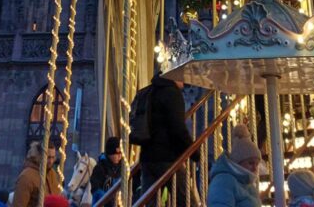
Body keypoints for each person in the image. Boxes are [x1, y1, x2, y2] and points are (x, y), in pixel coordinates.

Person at [135, 75, 199, 207]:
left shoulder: (152, 90)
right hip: (167, 156)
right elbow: (178, 128)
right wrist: (193, 152)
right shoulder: (172, 93)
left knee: (149, 201)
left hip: (147, 157)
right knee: (187, 200)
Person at [206, 124, 260, 207]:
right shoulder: (223, 181)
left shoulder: (246, 184)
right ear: (238, 162)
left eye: (257, 164)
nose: (255, 167)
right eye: (250, 163)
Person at [13, 142, 62, 207]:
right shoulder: (26, 176)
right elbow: (19, 204)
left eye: (53, 157)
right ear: (39, 156)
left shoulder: (52, 174)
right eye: (48, 157)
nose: (51, 161)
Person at [89, 138, 122, 205]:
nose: (119, 156)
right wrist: (108, 198)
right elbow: (95, 188)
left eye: (121, 153)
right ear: (110, 154)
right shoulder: (100, 168)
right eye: (116, 153)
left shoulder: (122, 168)